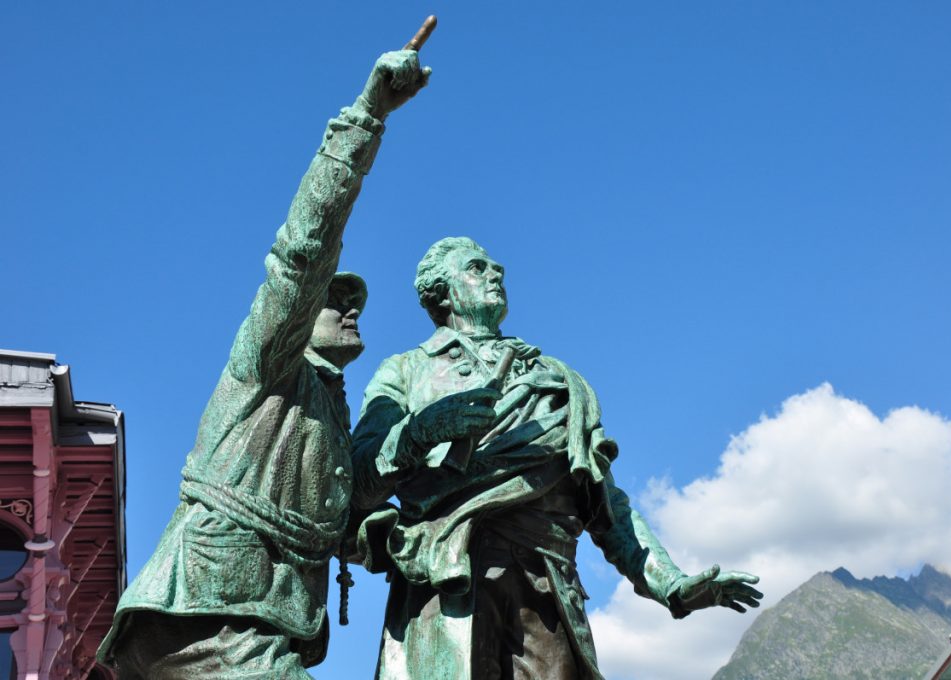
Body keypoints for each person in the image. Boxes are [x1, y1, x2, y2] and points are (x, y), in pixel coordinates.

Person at [97, 49, 431, 679]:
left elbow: (345, 512)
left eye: (355, 300)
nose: (350, 308)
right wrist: (366, 119)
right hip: (206, 616)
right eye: (337, 298)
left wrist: (417, 441)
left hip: (260, 623)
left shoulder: (330, 409)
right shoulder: (270, 360)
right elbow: (304, 249)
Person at [349, 236, 764, 679]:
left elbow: (607, 504)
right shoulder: (407, 371)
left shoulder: (556, 379)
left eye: (497, 268)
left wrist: (670, 584)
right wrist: (416, 434)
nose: (496, 273)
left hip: (546, 591)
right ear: (443, 293)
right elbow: (359, 482)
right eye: (477, 268)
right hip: (448, 579)